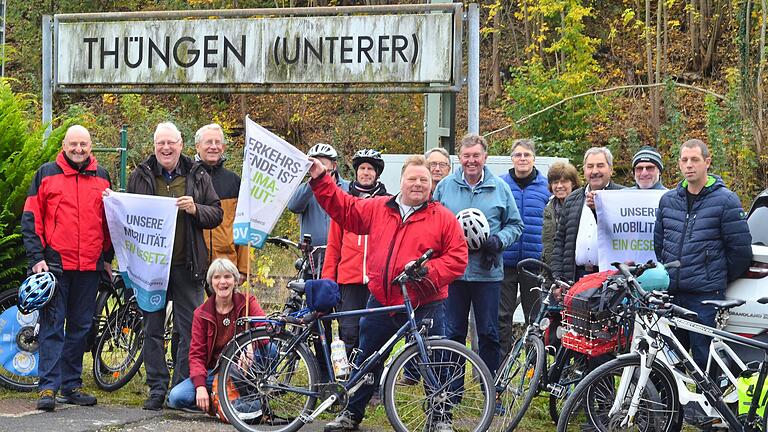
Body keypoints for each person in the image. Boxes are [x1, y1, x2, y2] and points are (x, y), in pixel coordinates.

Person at [307, 154, 468, 432]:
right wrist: (321, 178)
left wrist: (428, 271)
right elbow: (344, 208)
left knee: (436, 360)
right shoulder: (380, 207)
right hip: (382, 299)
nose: (417, 184)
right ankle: (352, 414)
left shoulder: (443, 217)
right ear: (401, 181)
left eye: (423, 180)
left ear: (431, 184)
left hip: (426, 301)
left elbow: (457, 258)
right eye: (412, 178)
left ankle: (440, 416)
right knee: (368, 358)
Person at [127, 122, 223, 411]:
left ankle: (180, 388)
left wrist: (195, 208)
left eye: (171, 143)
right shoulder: (140, 175)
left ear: (181, 144)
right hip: (152, 269)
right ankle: (156, 388)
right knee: (152, 328)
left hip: (187, 266)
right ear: (154, 146)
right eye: (160, 144)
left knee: (191, 330)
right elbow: (128, 213)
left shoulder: (197, 174)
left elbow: (216, 213)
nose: (166, 148)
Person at [21, 125, 113, 411]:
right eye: (73, 144)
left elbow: (111, 222)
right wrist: (37, 257)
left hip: (89, 267)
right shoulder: (46, 174)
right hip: (55, 267)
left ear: (91, 146)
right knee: (52, 328)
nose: (78, 149)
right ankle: (47, 388)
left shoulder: (102, 177)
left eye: (83, 144)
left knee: (80, 328)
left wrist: (107, 258)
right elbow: (30, 219)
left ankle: (71, 386)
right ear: (64, 144)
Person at [654, 139, 751, 370]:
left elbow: (740, 252)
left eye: (695, 160)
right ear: (678, 163)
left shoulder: (726, 200)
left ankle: (708, 407)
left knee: (704, 364)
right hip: (672, 296)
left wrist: (712, 276)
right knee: (669, 364)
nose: (689, 165)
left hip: (704, 298)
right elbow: (660, 244)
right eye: (684, 160)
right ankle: (674, 407)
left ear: (707, 162)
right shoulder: (668, 200)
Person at [433, 134, 524, 377]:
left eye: (476, 155)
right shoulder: (445, 187)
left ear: (485, 157)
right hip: (454, 274)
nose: (471, 160)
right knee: (452, 334)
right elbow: (431, 224)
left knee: (488, 333)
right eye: (466, 156)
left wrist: (499, 241)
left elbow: (516, 225)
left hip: (488, 274)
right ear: (459, 158)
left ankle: (490, 389)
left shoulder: (500, 188)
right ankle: (449, 393)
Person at [167, 258, 265, 413]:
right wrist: (200, 387)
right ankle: (221, 403)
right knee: (176, 396)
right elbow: (196, 355)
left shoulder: (247, 302)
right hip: (214, 374)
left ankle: (246, 394)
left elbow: (266, 330)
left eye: (227, 277)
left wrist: (251, 345)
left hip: (242, 370)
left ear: (235, 280)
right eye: (217, 277)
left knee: (270, 349)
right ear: (211, 282)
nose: (222, 282)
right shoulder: (201, 314)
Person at [322, 149, 389, 354]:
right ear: (356, 172)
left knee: (376, 333)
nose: (366, 172)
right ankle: (348, 379)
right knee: (348, 331)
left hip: (377, 280)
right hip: (349, 280)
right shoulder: (345, 202)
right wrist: (328, 280)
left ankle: (374, 381)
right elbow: (333, 245)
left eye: (370, 169)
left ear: (377, 174)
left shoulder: (389, 203)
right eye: (362, 168)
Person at [498, 139, 551, 355]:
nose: (522, 159)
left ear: (534, 159)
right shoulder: (500, 184)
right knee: (501, 317)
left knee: (535, 317)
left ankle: (533, 369)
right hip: (505, 262)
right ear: (512, 158)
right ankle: (498, 369)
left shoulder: (546, 186)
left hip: (533, 264)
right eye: (518, 155)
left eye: (526, 155)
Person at [552, 147, 624, 283]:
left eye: (600, 166)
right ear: (584, 170)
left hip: (610, 279)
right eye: (590, 166)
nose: (595, 171)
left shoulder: (623, 196)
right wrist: (557, 278)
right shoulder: (572, 199)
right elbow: (560, 242)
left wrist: (599, 210)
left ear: (611, 169)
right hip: (576, 276)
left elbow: (625, 238)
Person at [195, 123, 249, 280]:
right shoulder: (188, 177)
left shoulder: (234, 181)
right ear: (198, 146)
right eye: (208, 142)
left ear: (223, 147)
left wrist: (244, 267)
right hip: (195, 265)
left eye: (217, 142)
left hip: (227, 265)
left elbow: (243, 224)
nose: (213, 147)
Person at [287, 143, 349, 279]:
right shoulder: (306, 189)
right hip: (312, 260)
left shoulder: (348, 188)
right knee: (311, 298)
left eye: (323, 164)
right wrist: (313, 183)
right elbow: (293, 206)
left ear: (334, 166)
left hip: (342, 257)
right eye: (315, 164)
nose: (318, 167)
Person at [541, 162, 580, 265]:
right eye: (555, 182)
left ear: (573, 183)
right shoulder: (549, 208)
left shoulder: (582, 205)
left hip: (573, 267)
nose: (559, 186)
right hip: (551, 265)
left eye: (564, 182)